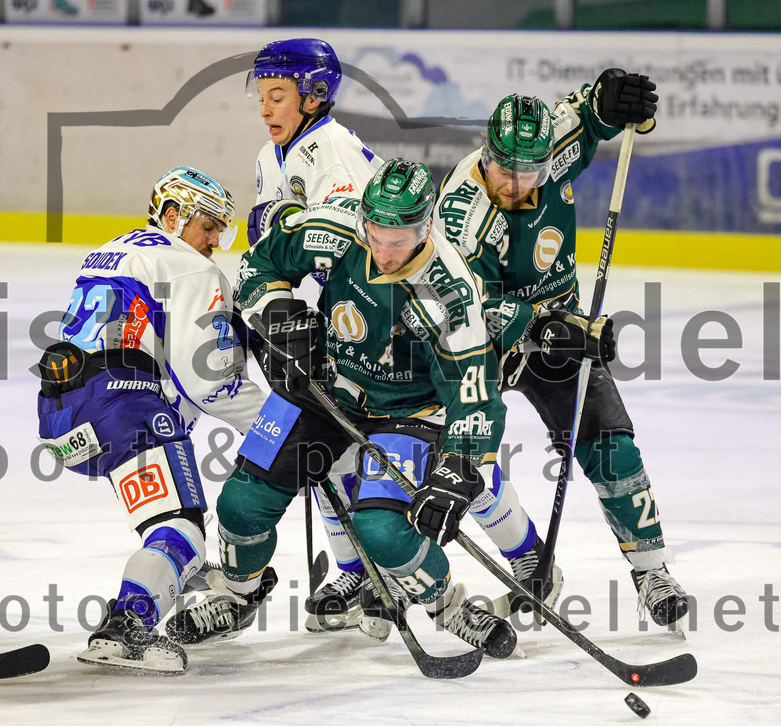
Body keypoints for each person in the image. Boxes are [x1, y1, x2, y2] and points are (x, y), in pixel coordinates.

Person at [165, 158, 549, 659]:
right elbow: (261, 265)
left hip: (409, 412)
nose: (385, 251)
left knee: (383, 531)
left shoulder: (450, 294)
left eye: (401, 238)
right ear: (363, 216)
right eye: (377, 233)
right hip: (324, 388)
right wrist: (281, 317)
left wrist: (458, 467)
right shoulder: (335, 226)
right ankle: (238, 596)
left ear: (427, 224)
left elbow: (473, 393)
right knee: (241, 503)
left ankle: (448, 606)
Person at [434, 72, 690, 627]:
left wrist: (613, 94)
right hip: (481, 340)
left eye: (531, 171)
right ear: (486, 152)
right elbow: (467, 306)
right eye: (506, 169)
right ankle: (530, 560)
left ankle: (651, 571)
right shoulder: (463, 216)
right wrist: (544, 326)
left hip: (560, 324)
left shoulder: (554, 144)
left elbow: (594, 110)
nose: (518, 183)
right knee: (460, 454)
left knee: (609, 441)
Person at [37, 166, 265, 675]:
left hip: (60, 412)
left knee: (170, 529)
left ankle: (164, 574)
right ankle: (127, 627)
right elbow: (207, 383)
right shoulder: (191, 269)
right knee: (182, 526)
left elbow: (158, 364)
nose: (214, 241)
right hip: (120, 403)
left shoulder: (112, 250)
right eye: (207, 226)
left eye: (220, 230)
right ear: (171, 215)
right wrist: (277, 423)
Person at [246, 37, 386, 635]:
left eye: (277, 95)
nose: (265, 108)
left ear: (314, 94)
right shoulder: (269, 156)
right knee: (323, 453)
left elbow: (344, 238)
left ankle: (390, 568)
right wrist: (279, 314)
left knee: (380, 450)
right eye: (262, 96)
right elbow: (270, 247)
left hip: (376, 323)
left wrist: (283, 227)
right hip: (326, 322)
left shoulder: (332, 150)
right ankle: (357, 573)